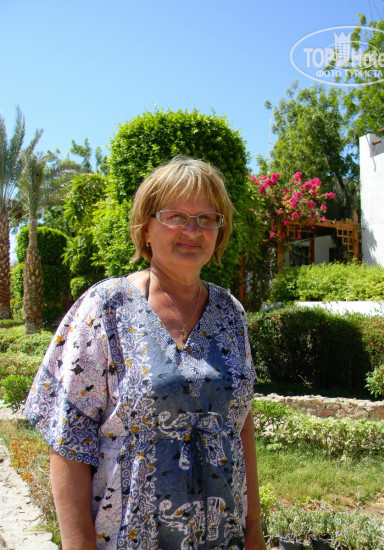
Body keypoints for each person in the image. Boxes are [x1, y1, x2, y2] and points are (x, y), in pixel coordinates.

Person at [25, 156, 266, 550]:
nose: (193, 230)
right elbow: (68, 438)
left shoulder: (230, 313)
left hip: (223, 538)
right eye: (176, 216)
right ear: (146, 228)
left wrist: (254, 530)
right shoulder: (106, 309)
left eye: (207, 218)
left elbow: (240, 425)